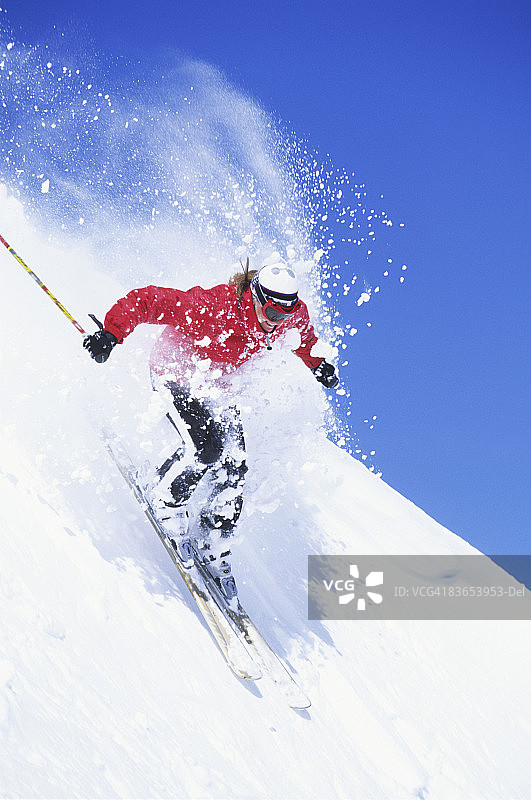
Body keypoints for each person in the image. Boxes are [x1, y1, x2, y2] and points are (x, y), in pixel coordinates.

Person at [83, 257, 338, 601]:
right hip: (174, 373)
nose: (277, 323)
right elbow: (152, 300)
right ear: (257, 297)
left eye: (285, 315)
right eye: (274, 314)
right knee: (207, 448)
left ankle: (213, 539)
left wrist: (317, 365)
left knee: (236, 466)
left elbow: (302, 337)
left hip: (217, 386)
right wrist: (112, 333)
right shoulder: (215, 306)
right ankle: (167, 501)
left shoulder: (288, 317)